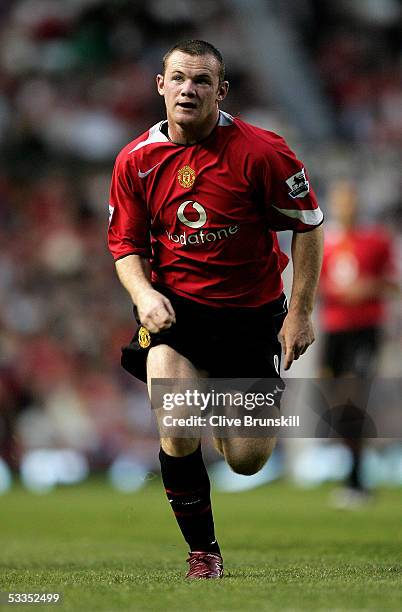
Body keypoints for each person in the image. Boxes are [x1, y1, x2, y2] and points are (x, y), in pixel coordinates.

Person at [108, 40, 324, 578]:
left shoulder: (262, 151)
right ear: (160, 85)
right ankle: (203, 552)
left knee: (247, 460)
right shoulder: (135, 161)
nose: (188, 88)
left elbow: (308, 227)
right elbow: (125, 245)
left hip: (252, 316)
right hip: (178, 315)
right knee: (178, 425)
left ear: (220, 91)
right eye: (178, 77)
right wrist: (143, 294)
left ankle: (217, 392)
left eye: (201, 80)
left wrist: (299, 313)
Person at [319, 180, 397, 508]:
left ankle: (357, 479)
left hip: (364, 330)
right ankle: (354, 477)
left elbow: (393, 284)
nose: (345, 206)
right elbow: (315, 286)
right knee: (338, 404)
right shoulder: (325, 242)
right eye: (340, 201)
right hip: (334, 332)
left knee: (355, 397)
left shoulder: (376, 240)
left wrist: (369, 287)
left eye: (349, 200)